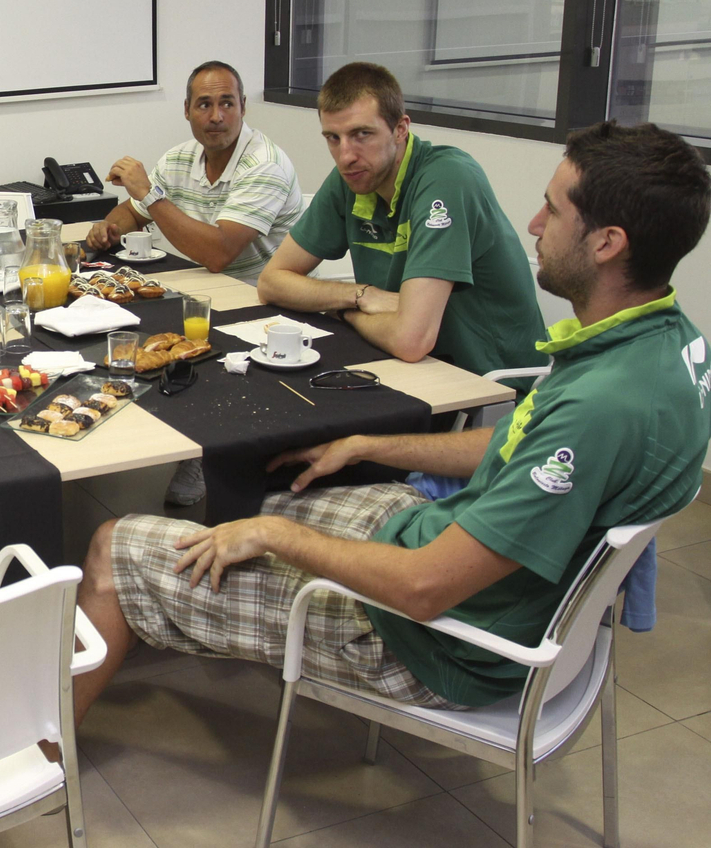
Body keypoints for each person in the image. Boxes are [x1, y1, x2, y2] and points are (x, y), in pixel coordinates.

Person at [69, 121, 711, 727]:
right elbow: (520, 443)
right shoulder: (667, 345)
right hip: (451, 555)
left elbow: (425, 588)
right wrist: (369, 444)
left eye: (553, 210)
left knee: (112, 546)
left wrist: (274, 536)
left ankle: (42, 763)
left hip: (432, 639)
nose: (534, 224)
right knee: (254, 501)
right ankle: (176, 603)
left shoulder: (600, 407)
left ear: (607, 243)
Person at [257, 61, 547, 376]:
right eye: (333, 138)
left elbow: (411, 340)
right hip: (409, 365)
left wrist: (345, 313)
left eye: (362, 134)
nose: (346, 156)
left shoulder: (446, 179)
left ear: (400, 129)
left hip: (490, 381)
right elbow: (271, 282)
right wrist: (361, 295)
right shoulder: (353, 177)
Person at [85, 61, 303, 282]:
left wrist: (148, 194)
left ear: (243, 107)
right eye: (204, 105)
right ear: (187, 110)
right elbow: (132, 213)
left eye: (227, 104)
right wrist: (109, 230)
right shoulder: (177, 159)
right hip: (208, 286)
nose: (216, 116)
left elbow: (219, 254)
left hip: (263, 296)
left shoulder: (265, 165)